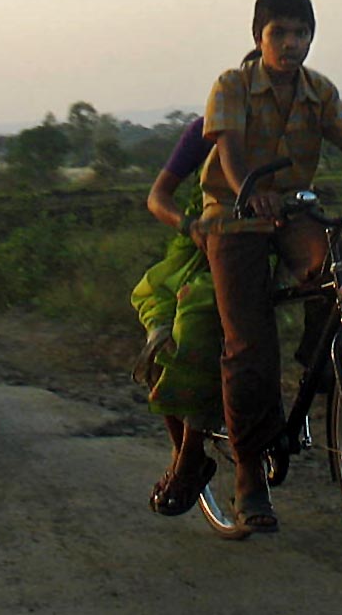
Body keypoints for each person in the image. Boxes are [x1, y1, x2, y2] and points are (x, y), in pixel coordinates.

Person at [199, 0, 342, 534]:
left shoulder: (319, 91)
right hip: (233, 214)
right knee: (249, 347)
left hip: (294, 210)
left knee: (340, 266)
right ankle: (249, 475)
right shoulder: (231, 86)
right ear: (259, 37)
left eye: (302, 33)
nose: (292, 43)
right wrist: (249, 191)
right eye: (281, 33)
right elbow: (229, 151)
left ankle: (317, 365)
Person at [130, 116, 223, 516]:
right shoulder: (209, 128)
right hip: (200, 247)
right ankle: (187, 452)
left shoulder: (292, 124)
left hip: (259, 245)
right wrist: (190, 225)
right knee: (164, 338)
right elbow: (158, 197)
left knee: (197, 325)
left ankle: (188, 459)